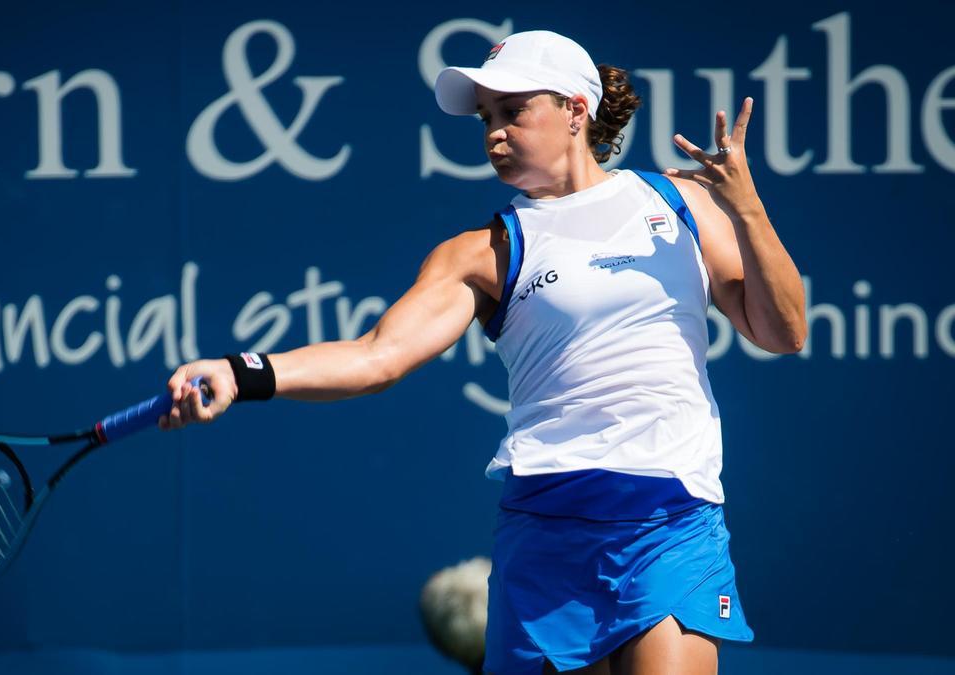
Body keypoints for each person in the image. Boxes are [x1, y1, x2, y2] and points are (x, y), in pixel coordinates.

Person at [158, 30, 806, 675]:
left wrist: (747, 211)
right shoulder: (483, 252)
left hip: (671, 523)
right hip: (548, 534)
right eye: (485, 117)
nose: (494, 132)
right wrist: (243, 373)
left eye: (513, 110)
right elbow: (376, 357)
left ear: (575, 109)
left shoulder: (681, 204)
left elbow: (785, 331)